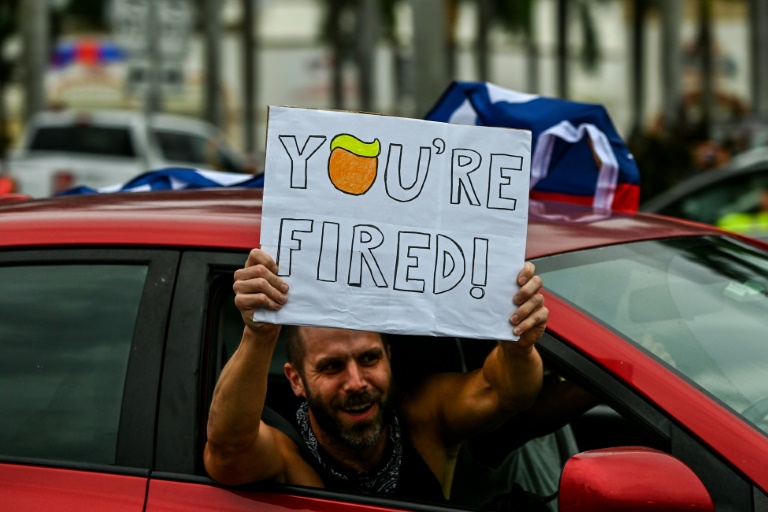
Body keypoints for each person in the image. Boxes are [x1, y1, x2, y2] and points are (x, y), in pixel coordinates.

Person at [204, 248, 548, 502]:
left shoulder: (424, 418)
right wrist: (259, 334)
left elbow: (509, 392)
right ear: (296, 380)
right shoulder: (289, 458)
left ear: (389, 357)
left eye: (369, 359)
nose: (356, 382)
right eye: (331, 367)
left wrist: (518, 343)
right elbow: (228, 451)